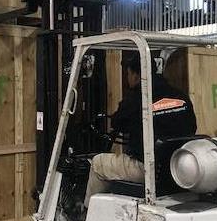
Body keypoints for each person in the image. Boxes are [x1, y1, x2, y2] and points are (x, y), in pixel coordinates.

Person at [84, 52, 197, 206]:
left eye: (128, 74)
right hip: (177, 165)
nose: (127, 78)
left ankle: (88, 215)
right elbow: (192, 126)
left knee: (98, 164)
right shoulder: (180, 96)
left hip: (148, 168)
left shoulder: (136, 98)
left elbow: (117, 123)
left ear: (136, 75)